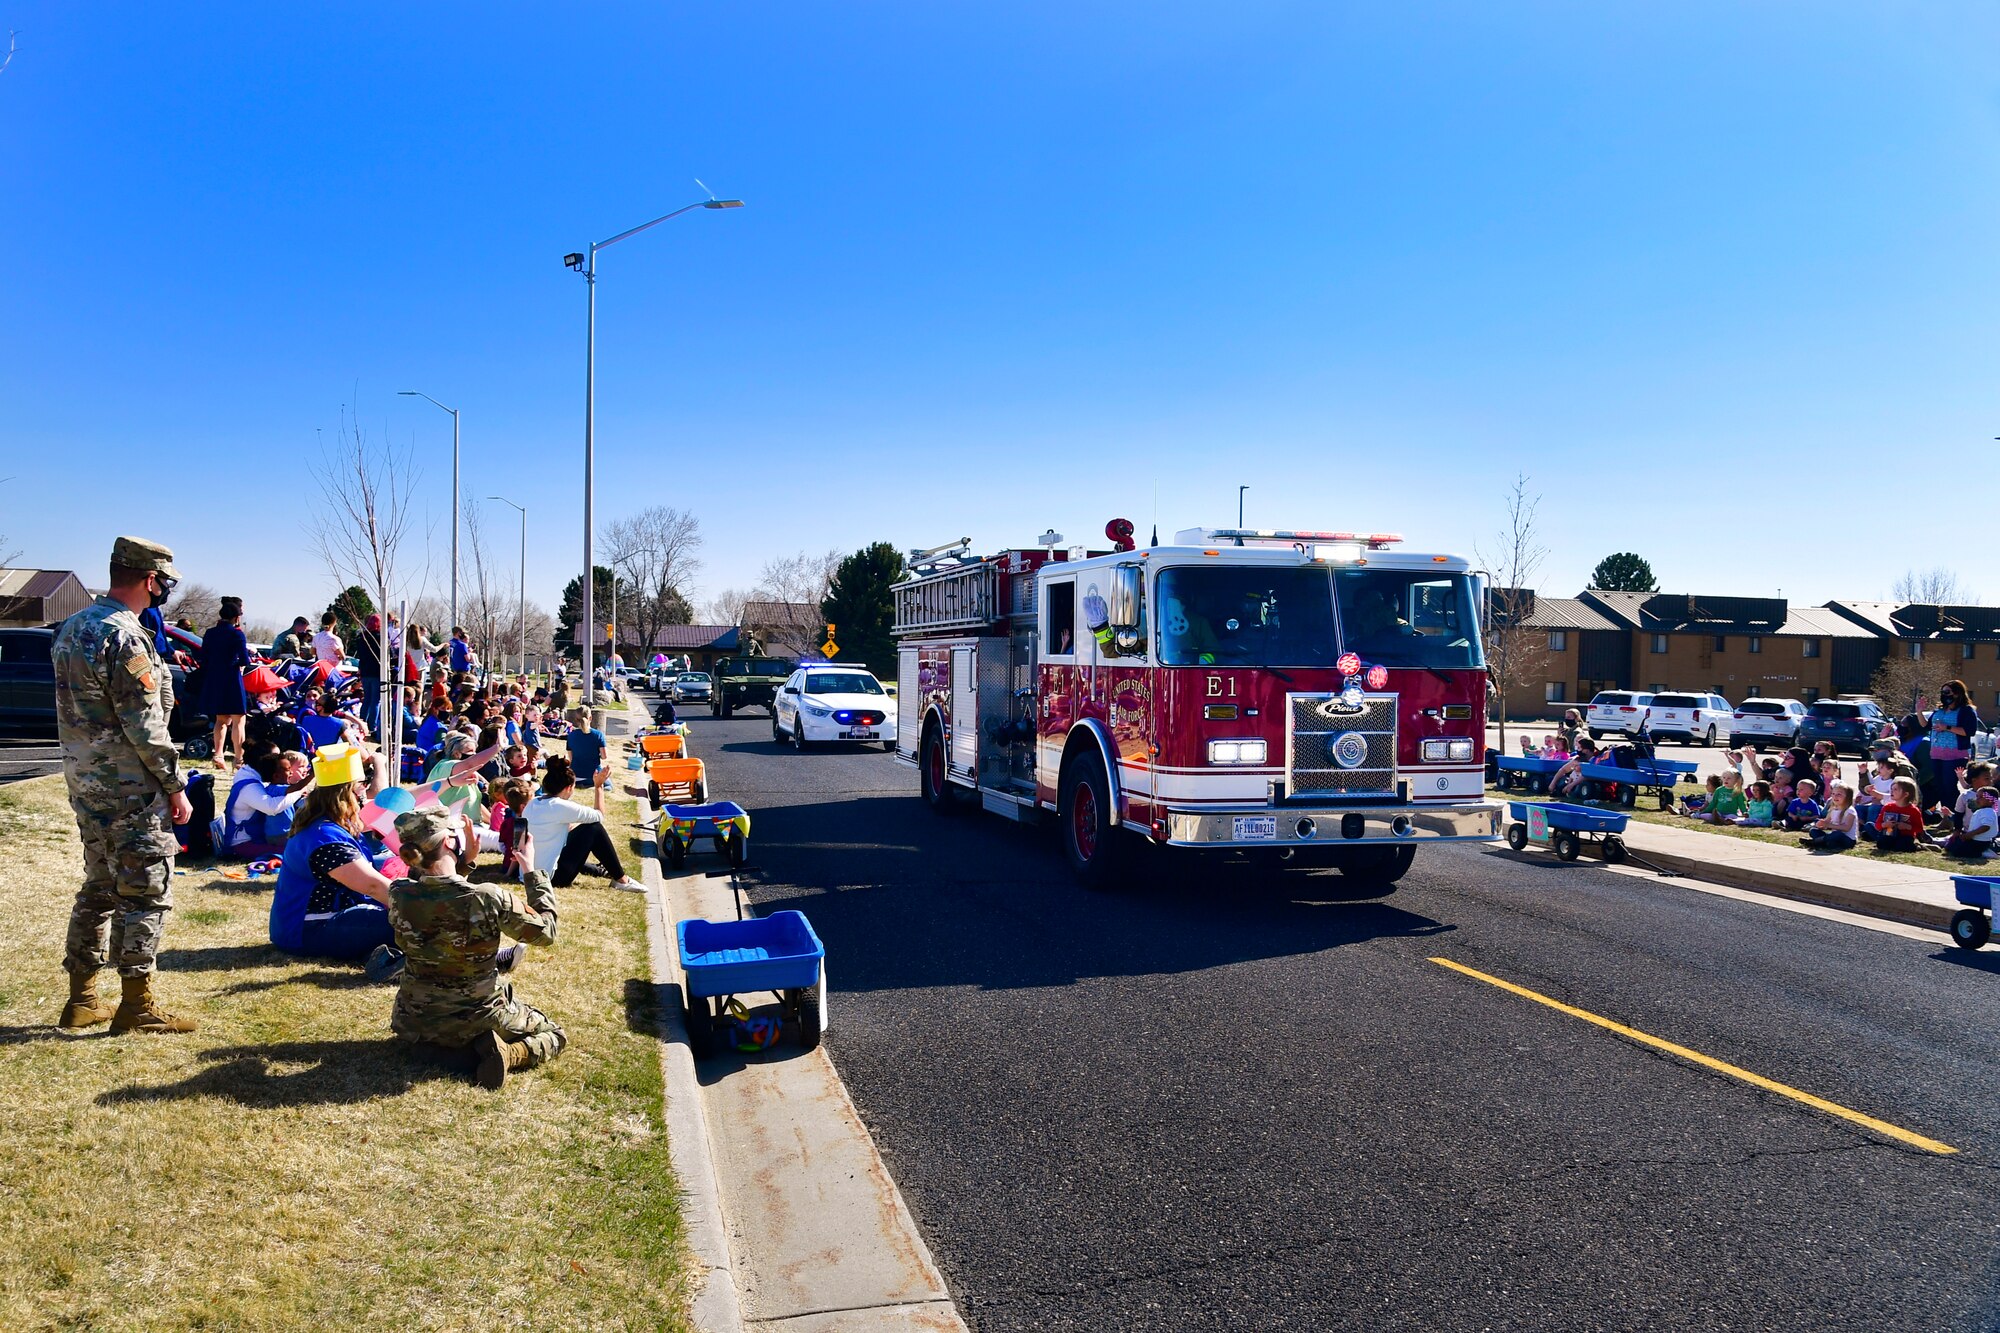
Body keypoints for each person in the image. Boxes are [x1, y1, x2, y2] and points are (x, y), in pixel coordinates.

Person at [50, 535, 197, 1034]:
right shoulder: (124, 636)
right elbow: (145, 723)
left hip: (87, 782)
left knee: (98, 888)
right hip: (130, 786)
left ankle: (83, 999)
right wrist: (175, 784)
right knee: (145, 893)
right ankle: (136, 1005)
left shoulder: (72, 628)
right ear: (151, 580)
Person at [387, 805, 565, 1089]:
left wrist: (466, 862)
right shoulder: (488, 897)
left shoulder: (399, 894)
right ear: (448, 842)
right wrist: (531, 871)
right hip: (478, 1016)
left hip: (414, 1017)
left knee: (436, 1034)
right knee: (555, 1034)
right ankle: (508, 1054)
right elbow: (547, 933)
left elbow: (441, 895)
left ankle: (441, 1051)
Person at [269, 769, 397, 960]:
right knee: (410, 925)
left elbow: (394, 803)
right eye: (363, 784)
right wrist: (419, 908)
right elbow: (373, 886)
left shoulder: (326, 824)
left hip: (309, 924)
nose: (365, 791)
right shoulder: (325, 838)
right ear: (347, 793)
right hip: (311, 930)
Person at [523, 756, 645, 891]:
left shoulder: (533, 803)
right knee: (594, 828)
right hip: (551, 878)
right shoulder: (560, 806)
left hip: (526, 873)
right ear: (569, 788)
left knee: (585, 829)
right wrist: (598, 786)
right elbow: (598, 816)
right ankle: (621, 880)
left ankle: (614, 875)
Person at [215, 744, 311, 858]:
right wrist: (298, 792)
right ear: (264, 760)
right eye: (276, 756)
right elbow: (272, 808)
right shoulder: (249, 786)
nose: (281, 758)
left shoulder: (255, 776)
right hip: (242, 844)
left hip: (258, 837)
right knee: (297, 853)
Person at [198, 595, 254, 771]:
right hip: (231, 678)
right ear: (236, 617)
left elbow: (202, 657)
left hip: (214, 679)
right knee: (239, 720)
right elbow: (245, 660)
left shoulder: (210, 633)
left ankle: (218, 754)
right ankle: (238, 759)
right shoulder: (237, 634)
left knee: (220, 720)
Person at [1926, 680, 1980, 812]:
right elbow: (1926, 726)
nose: (1944, 695)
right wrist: (1920, 710)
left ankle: (1956, 814)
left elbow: (1969, 731)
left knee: (1949, 785)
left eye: (1947, 692)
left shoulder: (1966, 711)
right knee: (1940, 785)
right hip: (1937, 753)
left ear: (1957, 693)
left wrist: (1947, 727)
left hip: (1955, 754)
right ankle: (1946, 816)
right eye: (1942, 692)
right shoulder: (1940, 710)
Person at [565, 707, 609, 811]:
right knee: (609, 785)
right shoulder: (598, 735)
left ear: (576, 719)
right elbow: (604, 756)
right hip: (593, 775)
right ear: (590, 718)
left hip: (575, 775)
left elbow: (571, 758)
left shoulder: (571, 735)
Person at [1945, 787, 2000, 860]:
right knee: (1951, 846)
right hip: (1973, 839)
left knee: (1957, 851)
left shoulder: (1989, 812)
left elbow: (1986, 827)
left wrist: (1970, 834)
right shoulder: (1981, 810)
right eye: (1977, 796)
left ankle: (1984, 853)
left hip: (1980, 841)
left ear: (1990, 800)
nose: (1977, 799)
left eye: (1981, 797)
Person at [1875, 778, 1927, 853]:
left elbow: (1920, 829)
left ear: (1906, 794)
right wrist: (1885, 824)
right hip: (1890, 833)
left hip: (1906, 836)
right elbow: (1877, 825)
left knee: (1904, 845)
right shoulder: (1887, 807)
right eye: (1891, 789)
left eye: (1895, 789)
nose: (1891, 791)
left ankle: (1917, 845)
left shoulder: (1913, 810)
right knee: (1882, 844)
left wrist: (1907, 826)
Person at [1803, 783, 1860, 852]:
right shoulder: (1833, 809)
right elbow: (1826, 822)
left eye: (1839, 794)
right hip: (1833, 836)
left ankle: (1816, 842)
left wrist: (1829, 825)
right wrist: (1821, 824)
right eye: (1833, 794)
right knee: (1813, 831)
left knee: (1837, 834)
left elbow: (1846, 828)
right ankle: (1826, 843)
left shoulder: (1850, 811)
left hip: (1847, 839)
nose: (1835, 796)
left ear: (1847, 797)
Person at [355, 613, 385, 735]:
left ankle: (361, 722)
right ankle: (372, 726)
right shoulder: (381, 638)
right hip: (377, 672)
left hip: (365, 671)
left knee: (366, 699)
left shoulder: (362, 638)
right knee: (375, 701)